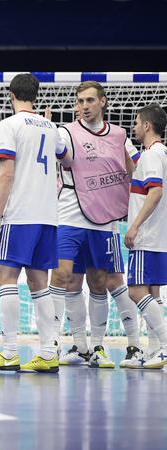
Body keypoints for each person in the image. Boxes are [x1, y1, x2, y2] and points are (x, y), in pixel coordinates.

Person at [0, 73, 69, 373]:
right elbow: (65, 157)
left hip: (20, 214)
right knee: (39, 284)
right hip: (48, 215)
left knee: (6, 278)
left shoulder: (9, 124)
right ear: (36, 94)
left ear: (11, 95)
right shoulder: (50, 126)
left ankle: (8, 353)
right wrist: (47, 125)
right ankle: (47, 352)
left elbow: (7, 173)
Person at [49, 81, 138, 369]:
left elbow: (137, 167)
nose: (84, 106)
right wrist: (49, 134)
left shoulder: (120, 136)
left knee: (101, 281)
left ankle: (100, 347)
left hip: (105, 220)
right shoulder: (65, 132)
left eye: (89, 100)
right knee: (64, 277)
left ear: (102, 102)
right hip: (69, 215)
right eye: (80, 101)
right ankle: (72, 345)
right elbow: (61, 155)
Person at [125, 103, 167, 369]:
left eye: (138, 122)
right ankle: (155, 350)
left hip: (148, 236)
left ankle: (164, 345)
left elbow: (155, 192)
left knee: (136, 291)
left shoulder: (152, 155)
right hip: (160, 237)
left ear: (147, 126)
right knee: (153, 291)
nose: (135, 126)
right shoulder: (160, 154)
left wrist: (135, 226)